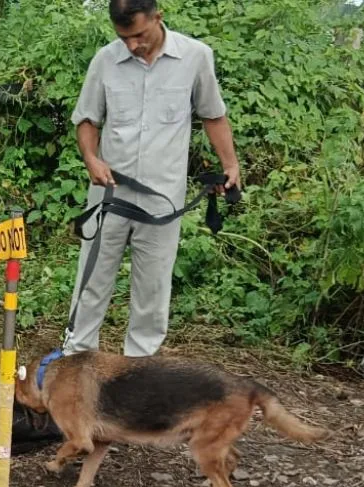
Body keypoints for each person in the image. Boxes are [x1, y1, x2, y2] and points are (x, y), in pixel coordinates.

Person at [66, 0, 240, 358]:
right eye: (123, 37)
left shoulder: (195, 57)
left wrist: (230, 164)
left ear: (158, 18)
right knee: (92, 282)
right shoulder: (105, 60)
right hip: (109, 196)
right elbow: (86, 120)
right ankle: (77, 363)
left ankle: (138, 373)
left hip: (163, 200)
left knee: (152, 293)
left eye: (139, 35)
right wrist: (91, 159)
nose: (131, 45)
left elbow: (213, 115)